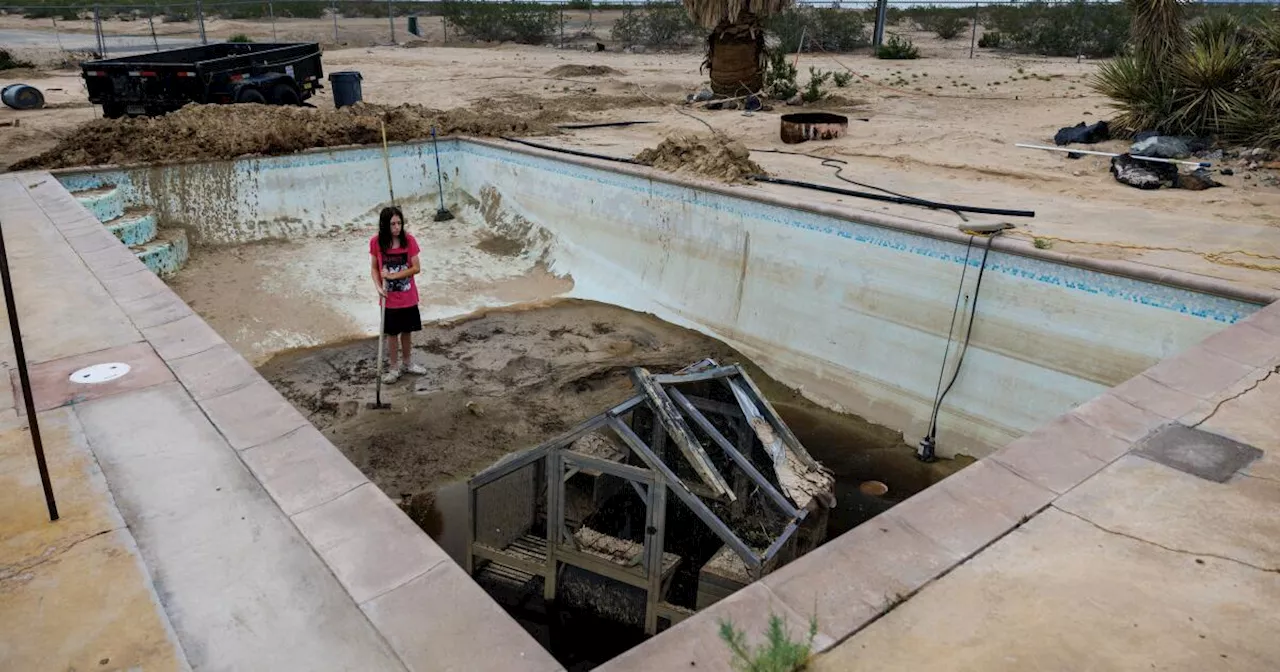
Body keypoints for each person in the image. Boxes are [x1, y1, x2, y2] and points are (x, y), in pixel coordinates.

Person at [370, 205, 424, 384]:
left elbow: (416, 268)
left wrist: (393, 275)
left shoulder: (409, 241)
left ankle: (407, 364)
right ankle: (393, 368)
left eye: (399, 223)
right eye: (392, 224)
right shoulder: (376, 243)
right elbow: (374, 268)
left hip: (408, 297)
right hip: (389, 299)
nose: (396, 227)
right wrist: (378, 287)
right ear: (384, 225)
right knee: (392, 334)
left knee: (407, 331)